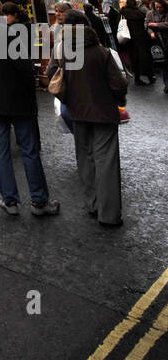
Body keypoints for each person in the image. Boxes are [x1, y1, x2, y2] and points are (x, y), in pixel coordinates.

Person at [0, 0, 60, 218]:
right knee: (29, 150)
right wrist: (34, 87)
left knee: (1, 151)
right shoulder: (11, 33)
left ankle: (10, 200)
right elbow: (24, 68)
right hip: (19, 100)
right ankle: (39, 201)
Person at [51, 21, 127, 227]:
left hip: (77, 113)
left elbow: (53, 77)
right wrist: (120, 98)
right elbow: (117, 84)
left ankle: (92, 204)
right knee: (106, 162)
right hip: (103, 113)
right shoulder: (102, 53)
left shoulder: (65, 54)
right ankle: (109, 215)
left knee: (85, 159)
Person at [118, 0, 153, 85]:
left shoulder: (123, 12)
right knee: (145, 58)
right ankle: (150, 77)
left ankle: (137, 79)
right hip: (141, 38)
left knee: (134, 58)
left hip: (129, 39)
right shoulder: (139, 13)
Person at [144, 0, 168, 92]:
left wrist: (156, 25)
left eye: (160, 7)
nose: (158, 9)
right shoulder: (150, 13)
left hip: (166, 39)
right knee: (164, 64)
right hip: (158, 41)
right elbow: (146, 25)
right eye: (157, 7)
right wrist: (151, 32)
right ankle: (167, 85)